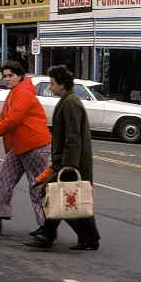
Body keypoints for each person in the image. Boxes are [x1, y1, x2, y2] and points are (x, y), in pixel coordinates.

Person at [27, 65, 101, 251]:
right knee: (70, 199)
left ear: (62, 84)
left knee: (56, 194)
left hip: (72, 162)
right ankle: (89, 238)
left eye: (52, 83)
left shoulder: (70, 103)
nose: (50, 87)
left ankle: (48, 234)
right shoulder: (67, 100)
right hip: (67, 160)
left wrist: (69, 165)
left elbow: (73, 137)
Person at [0, 60, 52, 234]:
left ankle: (47, 227)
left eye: (11, 75)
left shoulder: (23, 92)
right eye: (5, 76)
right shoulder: (14, 92)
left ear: (20, 76)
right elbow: (4, 117)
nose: (7, 79)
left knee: (37, 186)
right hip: (19, 146)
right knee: (5, 179)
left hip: (34, 145)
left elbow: (13, 119)